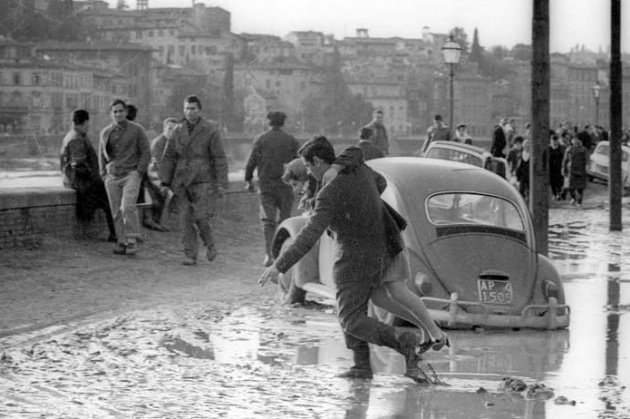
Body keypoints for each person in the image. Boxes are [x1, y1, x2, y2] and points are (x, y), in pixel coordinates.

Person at [258, 137, 448, 383]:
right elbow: (376, 178)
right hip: (378, 250)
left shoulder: (329, 193)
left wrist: (279, 265)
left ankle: (405, 342)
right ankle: (363, 365)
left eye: (307, 167)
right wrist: (362, 203)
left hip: (355, 257)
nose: (307, 173)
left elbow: (308, 235)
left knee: (350, 318)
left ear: (317, 162)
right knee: (358, 305)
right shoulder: (357, 170)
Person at [161, 95, 229, 265]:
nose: (189, 112)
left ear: (199, 110)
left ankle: (210, 245)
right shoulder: (177, 130)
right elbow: (168, 157)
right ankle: (190, 254)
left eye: (193, 109)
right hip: (181, 181)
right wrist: (165, 181)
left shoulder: (210, 130)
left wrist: (221, 183)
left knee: (201, 217)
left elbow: (219, 158)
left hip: (202, 179)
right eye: (186, 109)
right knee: (185, 219)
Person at [245, 111, 301, 267]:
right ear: (283, 123)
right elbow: (298, 164)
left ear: (268, 122)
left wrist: (248, 180)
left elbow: (252, 162)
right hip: (286, 186)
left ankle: (268, 255)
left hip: (266, 186)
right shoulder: (291, 140)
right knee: (285, 220)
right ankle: (281, 254)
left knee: (268, 221)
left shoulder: (260, 139)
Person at [98, 99, 151, 256]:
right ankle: (122, 242)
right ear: (111, 114)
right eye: (115, 111)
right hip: (112, 176)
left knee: (127, 206)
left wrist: (139, 171)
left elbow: (146, 151)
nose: (118, 114)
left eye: (121, 111)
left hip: (131, 174)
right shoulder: (105, 132)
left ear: (126, 112)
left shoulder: (137, 130)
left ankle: (132, 241)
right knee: (116, 212)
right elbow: (101, 154)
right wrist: (104, 174)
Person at [60, 109, 116, 242]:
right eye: (87, 124)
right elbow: (78, 165)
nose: (88, 127)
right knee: (110, 199)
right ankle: (115, 234)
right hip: (81, 182)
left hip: (76, 180)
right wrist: (96, 178)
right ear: (85, 122)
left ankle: (114, 233)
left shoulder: (73, 135)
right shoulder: (76, 138)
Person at [145, 117, 179, 230]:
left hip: (166, 175)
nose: (172, 131)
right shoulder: (159, 142)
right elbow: (156, 164)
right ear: (164, 128)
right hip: (154, 174)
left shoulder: (174, 142)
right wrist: (164, 182)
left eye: (175, 129)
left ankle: (159, 220)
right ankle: (152, 220)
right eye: (170, 128)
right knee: (162, 193)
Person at [562, 135, 588, 208]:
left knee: (580, 187)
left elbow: (587, 159)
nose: (576, 141)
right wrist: (563, 169)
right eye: (574, 140)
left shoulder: (583, 149)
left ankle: (579, 202)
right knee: (570, 186)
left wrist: (587, 166)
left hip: (581, 170)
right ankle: (573, 198)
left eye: (577, 140)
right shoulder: (569, 149)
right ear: (572, 141)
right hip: (571, 170)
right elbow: (565, 160)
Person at [549, 133, 565, 201]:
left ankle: (558, 193)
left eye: (555, 140)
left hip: (559, 167)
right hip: (551, 167)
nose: (554, 142)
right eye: (553, 140)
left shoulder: (561, 148)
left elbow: (564, 157)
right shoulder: (549, 148)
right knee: (552, 182)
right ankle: (554, 194)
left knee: (559, 181)